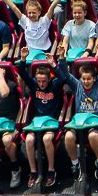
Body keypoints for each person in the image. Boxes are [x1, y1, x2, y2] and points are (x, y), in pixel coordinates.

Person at [58, 41, 98, 180]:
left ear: (94, 78)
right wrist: (62, 57)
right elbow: (65, 74)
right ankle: (75, 163)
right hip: (78, 123)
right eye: (84, 79)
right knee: (69, 137)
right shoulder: (77, 86)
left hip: (95, 124)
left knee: (93, 136)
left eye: (89, 79)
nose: (86, 81)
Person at [17, 47, 67, 187]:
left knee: (46, 139)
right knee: (29, 140)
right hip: (37, 122)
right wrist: (23, 58)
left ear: (49, 79)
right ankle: (33, 172)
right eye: (39, 81)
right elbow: (22, 73)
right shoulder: (34, 85)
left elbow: (63, 78)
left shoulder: (54, 85)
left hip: (51, 123)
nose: (41, 84)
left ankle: (51, 170)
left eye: (44, 81)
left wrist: (53, 65)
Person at [0, 0, 66, 54]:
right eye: (29, 13)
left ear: (39, 13)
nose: (31, 15)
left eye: (34, 13)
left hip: (44, 52)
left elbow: (52, 6)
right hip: (30, 53)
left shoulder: (44, 21)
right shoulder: (25, 21)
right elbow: (13, 7)